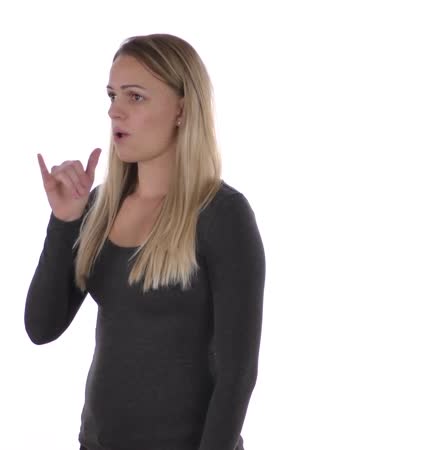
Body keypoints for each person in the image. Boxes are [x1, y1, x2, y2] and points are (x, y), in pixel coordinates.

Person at [25, 33, 265, 450]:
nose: (115, 111)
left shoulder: (222, 216)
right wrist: (65, 221)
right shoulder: (99, 207)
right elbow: (41, 327)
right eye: (112, 95)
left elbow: (237, 376)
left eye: (135, 97)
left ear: (181, 110)